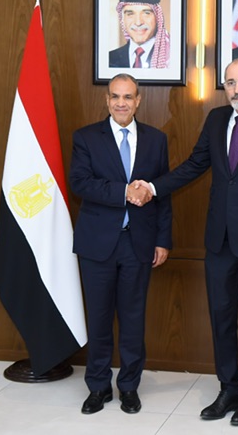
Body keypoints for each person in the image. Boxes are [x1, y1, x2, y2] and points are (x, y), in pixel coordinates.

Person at [131, 58, 238, 426]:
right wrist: (153, 187)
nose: (237, 89)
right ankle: (229, 388)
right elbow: (194, 165)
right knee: (221, 319)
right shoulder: (215, 119)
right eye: (230, 82)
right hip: (220, 240)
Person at [69, 73, 172, 415]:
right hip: (97, 244)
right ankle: (98, 387)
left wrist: (163, 240)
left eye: (128, 97)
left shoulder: (156, 140)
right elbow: (80, 183)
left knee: (132, 320)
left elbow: (163, 194)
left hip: (138, 243)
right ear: (107, 100)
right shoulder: (86, 137)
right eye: (115, 96)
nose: (121, 103)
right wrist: (123, 192)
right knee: (99, 319)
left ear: (138, 101)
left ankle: (129, 386)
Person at [109, 0, 170, 69]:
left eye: (146, 13)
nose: (138, 22)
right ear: (123, 20)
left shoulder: (171, 58)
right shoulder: (110, 59)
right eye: (130, 14)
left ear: (157, 18)